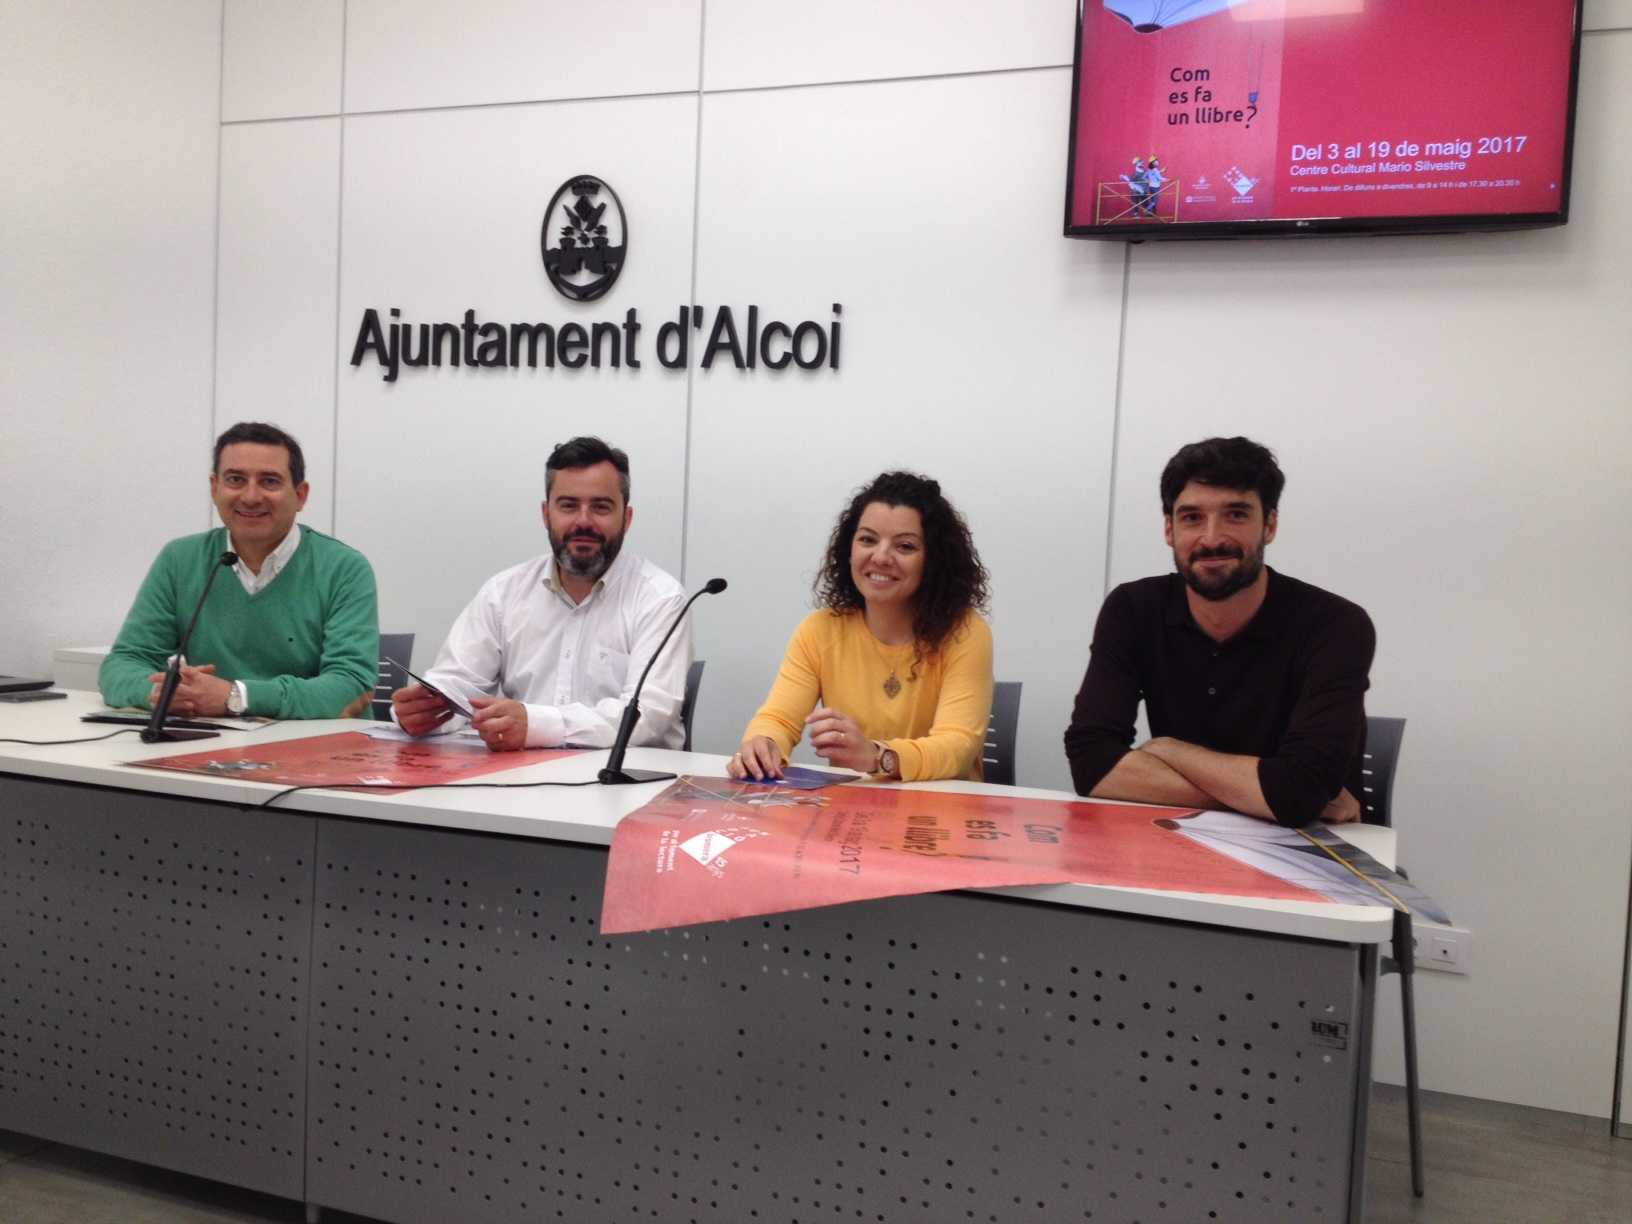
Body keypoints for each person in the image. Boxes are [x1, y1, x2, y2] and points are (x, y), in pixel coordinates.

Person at [1064, 436, 1375, 827]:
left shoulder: (1336, 625)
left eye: (1236, 515)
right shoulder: (1132, 609)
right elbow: (1092, 763)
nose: (1211, 539)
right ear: (1169, 529)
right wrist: (1270, 798)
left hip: (1314, 847)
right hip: (1182, 837)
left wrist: (1168, 750)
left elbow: (1300, 788)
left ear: (1270, 525)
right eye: (1192, 517)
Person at [391, 436, 690, 752]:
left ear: (626, 519)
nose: (583, 521)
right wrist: (426, 713)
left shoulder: (660, 598)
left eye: (601, 507)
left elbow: (648, 715)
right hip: (517, 774)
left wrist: (535, 725)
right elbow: (458, 684)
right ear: (546, 514)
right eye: (568, 506)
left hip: (627, 776)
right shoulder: (504, 592)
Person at [99, 421, 379, 719]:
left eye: (269, 481)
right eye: (235, 480)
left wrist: (237, 696)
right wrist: (160, 693)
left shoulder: (344, 568)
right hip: (212, 739)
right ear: (214, 488)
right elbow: (122, 664)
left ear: (300, 495)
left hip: (319, 744)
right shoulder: (179, 559)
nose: (250, 497)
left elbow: (353, 687)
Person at [730, 471, 994, 783]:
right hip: (849, 806)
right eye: (868, 540)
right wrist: (764, 743)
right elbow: (779, 719)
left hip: (942, 806)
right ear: (849, 549)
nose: (880, 557)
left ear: (934, 560)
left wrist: (877, 756)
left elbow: (958, 747)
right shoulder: (819, 630)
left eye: (905, 546)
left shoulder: (965, 633)